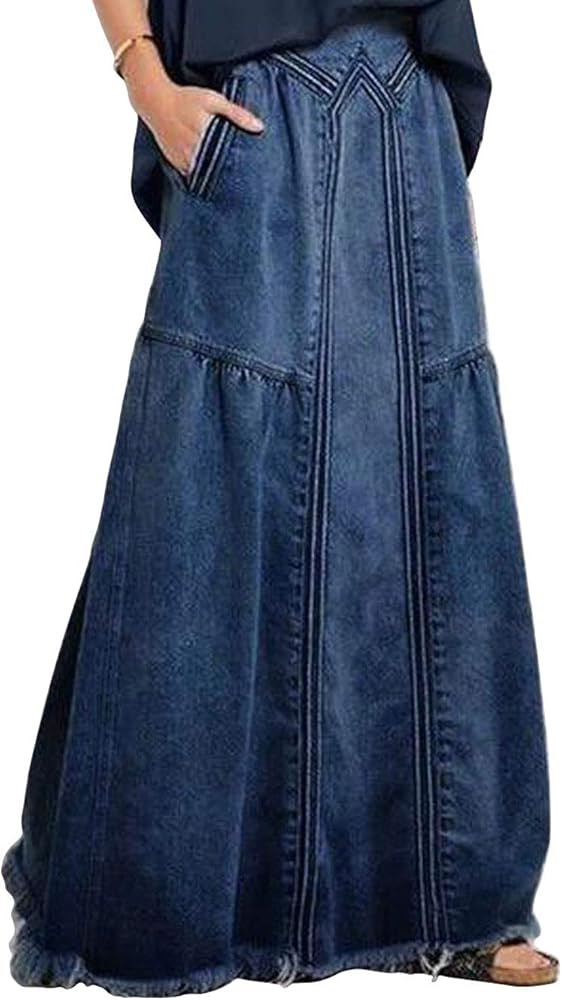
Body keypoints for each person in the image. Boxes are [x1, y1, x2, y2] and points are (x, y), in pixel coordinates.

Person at [2, 0, 558, 993]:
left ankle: (452, 908)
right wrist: (145, 81)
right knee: (205, 509)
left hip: (411, 106)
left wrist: (442, 147)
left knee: (427, 503)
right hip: (253, 110)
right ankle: (161, 907)